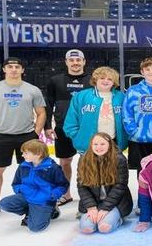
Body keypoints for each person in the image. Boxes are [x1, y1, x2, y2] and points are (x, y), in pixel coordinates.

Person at [0, 57, 47, 218]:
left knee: (30, 171)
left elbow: (41, 112)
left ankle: (31, 201)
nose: (14, 69)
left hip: (27, 137)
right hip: (1, 137)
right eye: (10, 66)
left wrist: (35, 134)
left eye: (17, 66)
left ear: (23, 70)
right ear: (4, 70)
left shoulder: (33, 90)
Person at [44, 49, 91, 206]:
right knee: (64, 162)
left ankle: (91, 194)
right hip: (63, 128)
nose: (75, 63)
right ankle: (66, 194)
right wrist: (47, 126)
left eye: (78, 60)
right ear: (66, 62)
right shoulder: (56, 80)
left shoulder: (92, 80)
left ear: (84, 62)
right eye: (72, 60)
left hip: (87, 129)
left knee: (89, 161)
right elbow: (48, 105)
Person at [0, 139, 68, 232]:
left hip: (43, 201)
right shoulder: (23, 166)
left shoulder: (52, 168)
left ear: (38, 154)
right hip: (26, 196)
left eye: (26, 153)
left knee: (35, 228)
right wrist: (20, 190)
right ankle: (30, 211)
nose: (22, 155)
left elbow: (63, 185)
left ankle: (51, 210)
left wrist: (52, 195)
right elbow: (16, 183)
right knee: (4, 204)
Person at [77, 132, 133, 234]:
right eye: (95, 144)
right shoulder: (84, 159)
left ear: (109, 145)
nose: (99, 147)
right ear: (91, 145)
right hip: (94, 202)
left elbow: (120, 186)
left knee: (104, 227)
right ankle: (96, 216)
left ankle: (119, 219)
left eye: (102, 144)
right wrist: (91, 207)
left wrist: (105, 208)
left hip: (115, 202)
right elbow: (81, 186)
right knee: (87, 229)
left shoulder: (119, 159)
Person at [63, 66, 128, 154]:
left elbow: (128, 119)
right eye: (102, 78)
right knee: (89, 168)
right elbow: (71, 121)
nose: (106, 81)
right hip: (88, 145)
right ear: (95, 80)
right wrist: (78, 137)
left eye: (109, 79)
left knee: (114, 168)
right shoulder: (81, 96)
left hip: (114, 143)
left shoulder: (121, 97)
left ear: (114, 82)